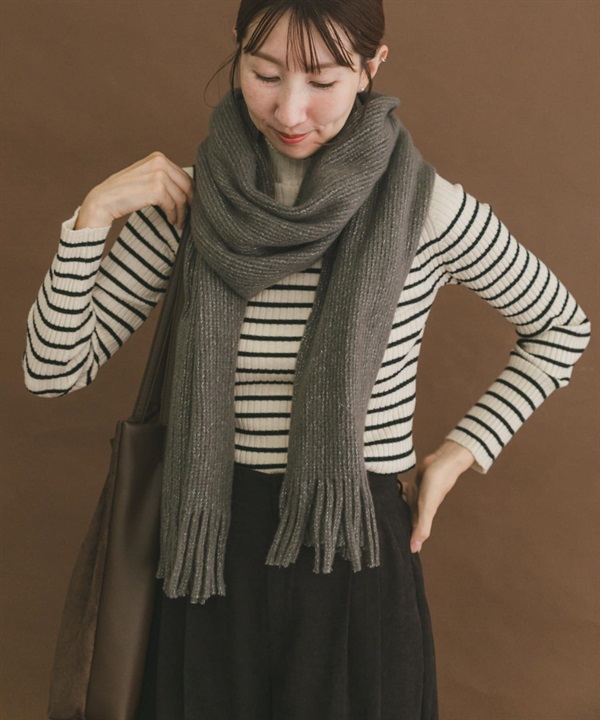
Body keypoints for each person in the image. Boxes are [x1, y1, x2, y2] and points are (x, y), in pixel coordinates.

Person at [23, 0, 591, 718]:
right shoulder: (187, 205)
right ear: (237, 54)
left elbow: (561, 327)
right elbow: (51, 371)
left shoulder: (426, 209)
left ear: (372, 67)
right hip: (206, 550)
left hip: (354, 547)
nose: (290, 110)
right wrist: (92, 216)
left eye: (322, 80)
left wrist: (457, 456)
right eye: (265, 74)